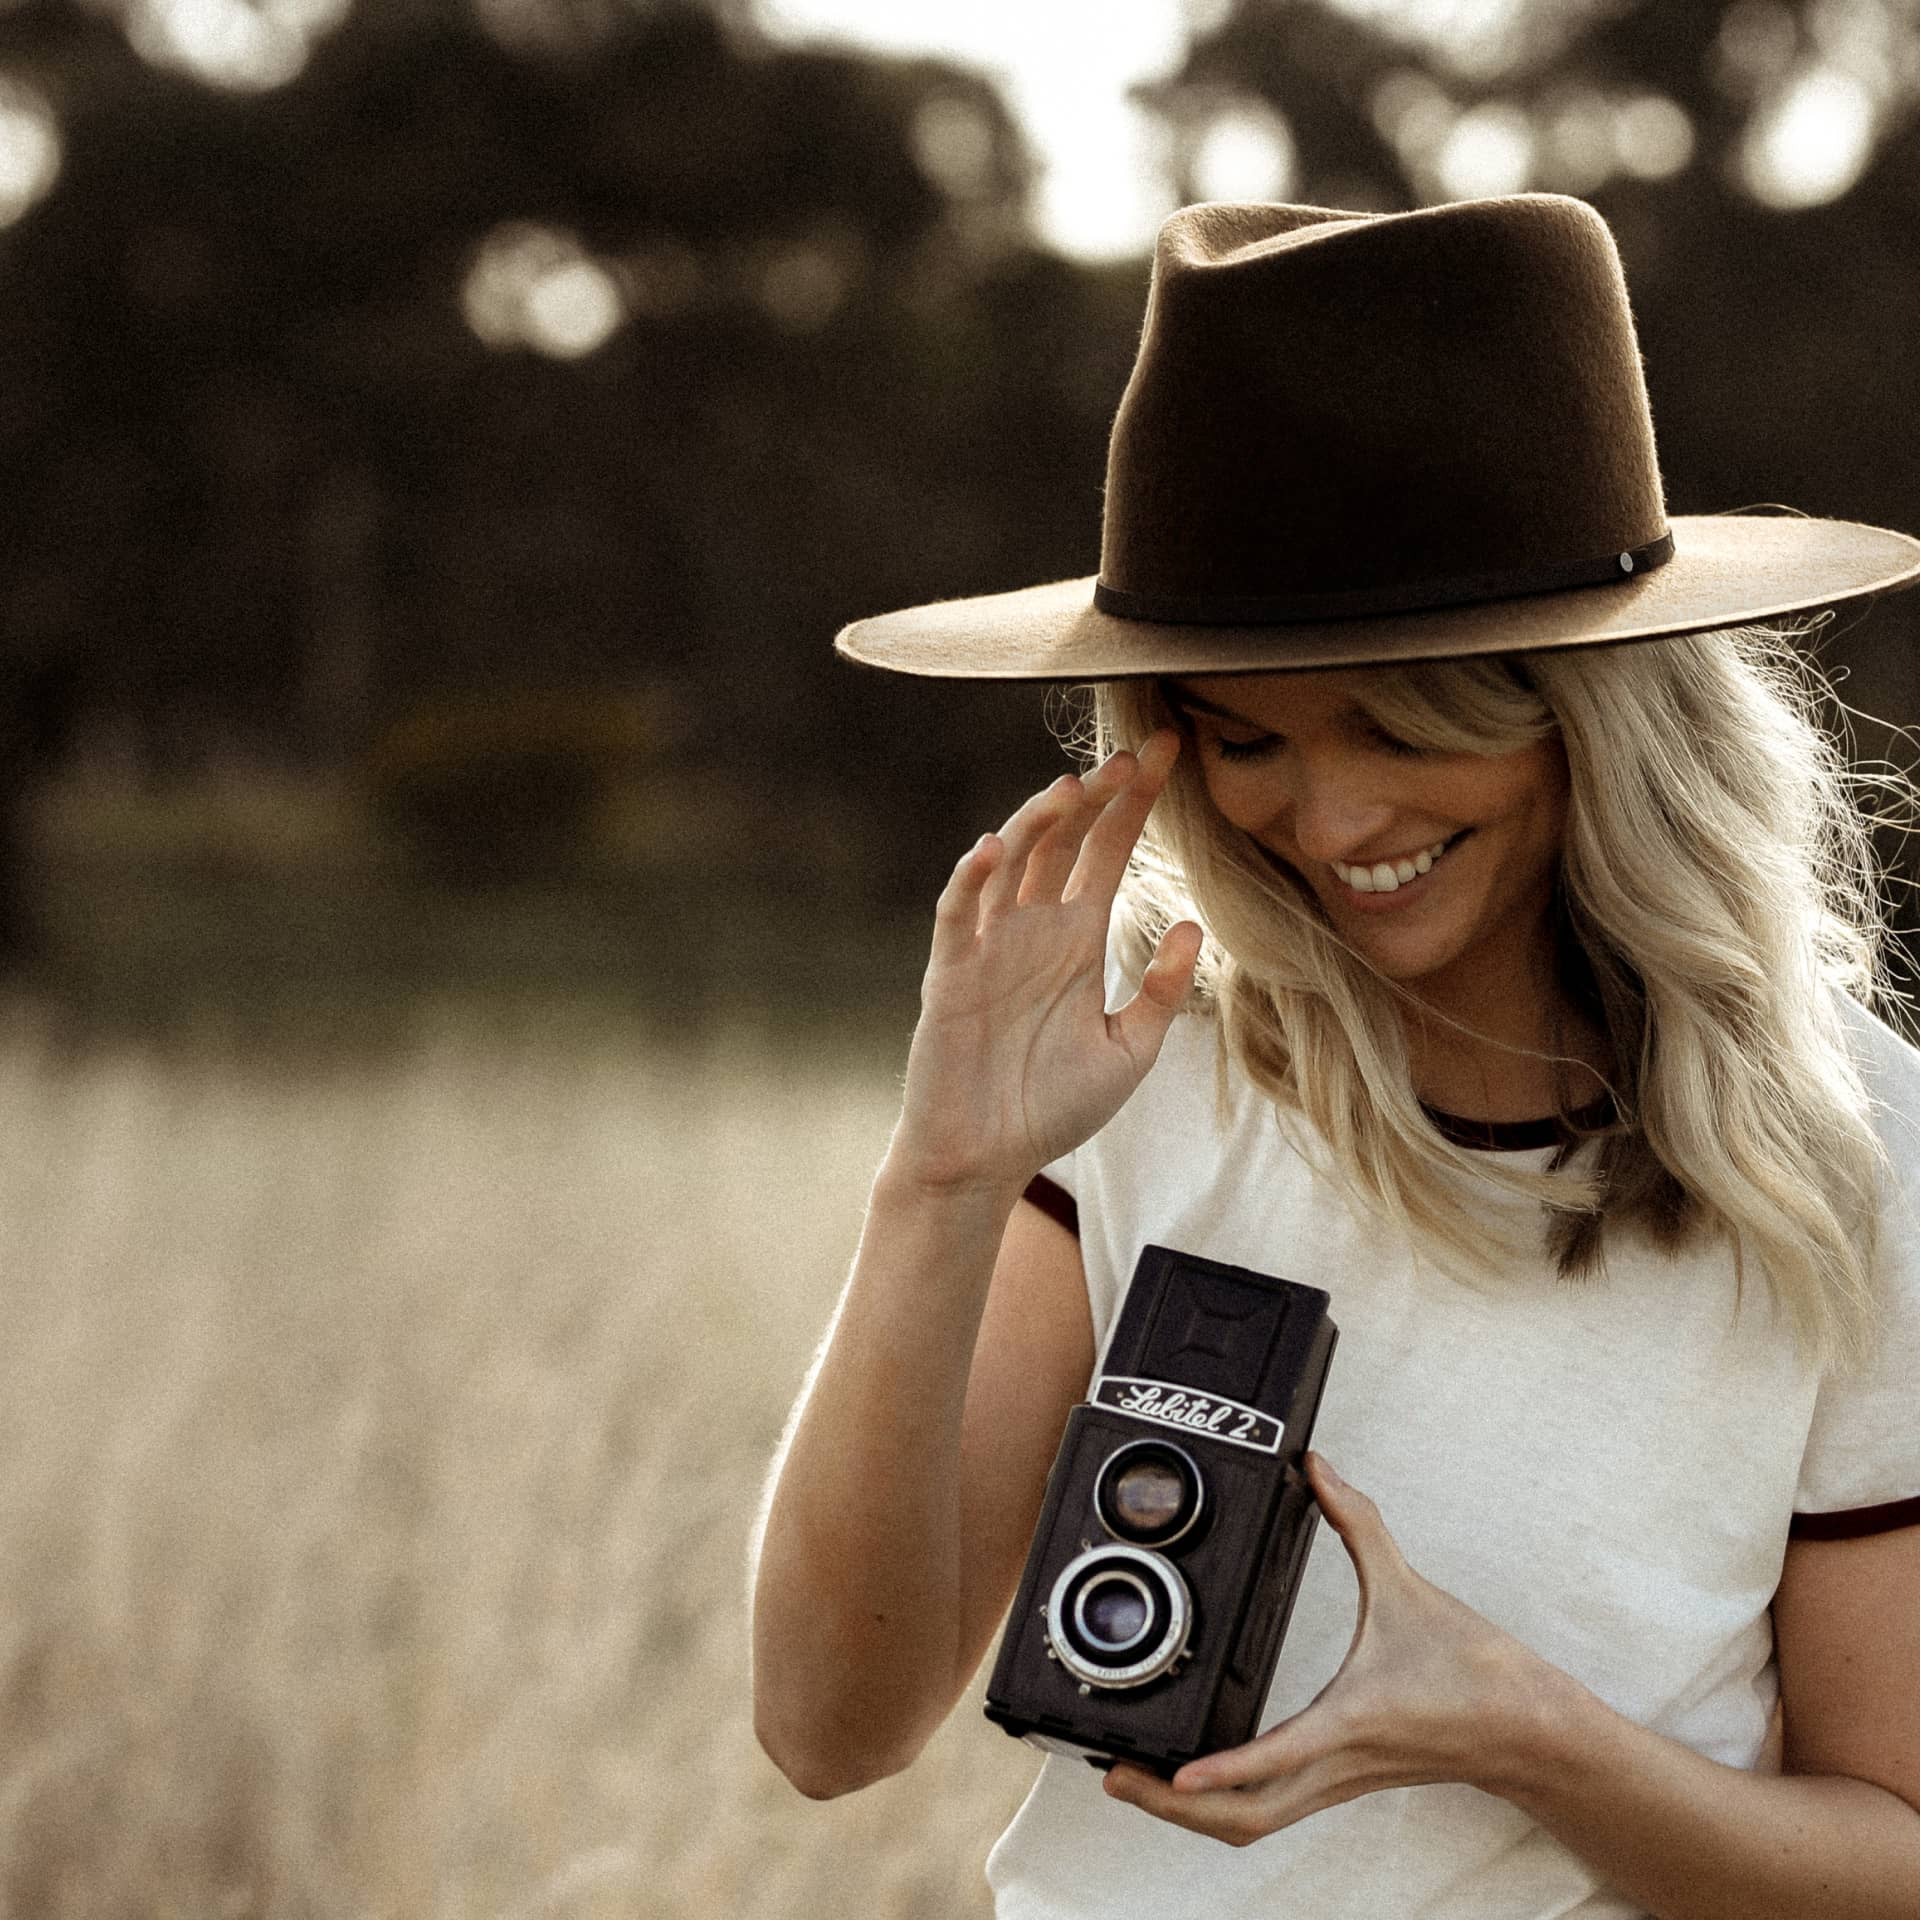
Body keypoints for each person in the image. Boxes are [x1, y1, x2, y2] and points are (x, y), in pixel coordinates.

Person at [749, 195, 1920, 1919]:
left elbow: (1891, 1853)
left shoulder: (1855, 1149)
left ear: (1588, 704)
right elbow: (827, 1731)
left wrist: (1520, 1733)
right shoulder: (1142, 1080)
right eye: (1245, 737)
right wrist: (940, 1175)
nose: (1335, 817)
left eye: (1403, 721)